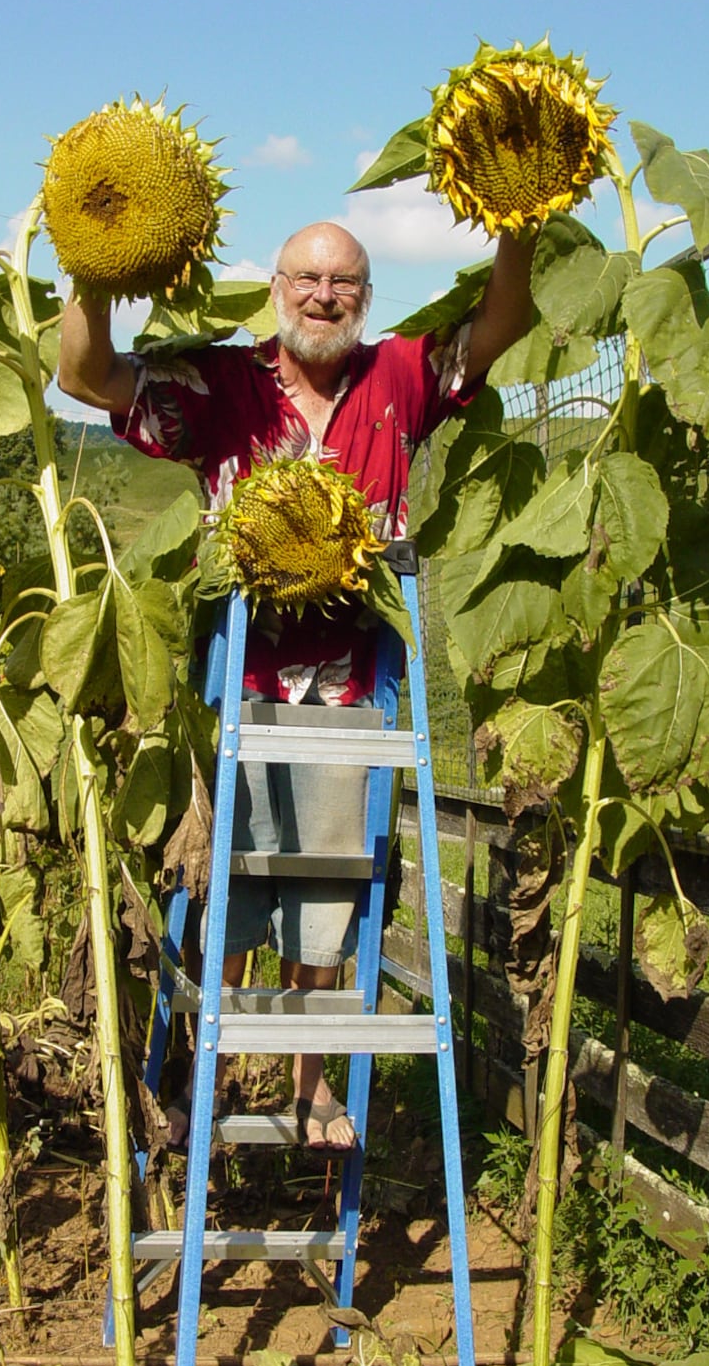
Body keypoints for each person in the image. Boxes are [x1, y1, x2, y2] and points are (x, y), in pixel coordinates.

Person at [59, 221, 534, 1148]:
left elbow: (500, 324)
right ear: (278, 287)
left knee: (326, 898)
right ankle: (220, 1071)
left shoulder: (399, 376)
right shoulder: (226, 385)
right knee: (232, 888)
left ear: (366, 296)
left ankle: (313, 1087)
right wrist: (95, 262)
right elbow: (87, 375)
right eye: (308, 278)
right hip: (241, 680)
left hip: (353, 691)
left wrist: (513, 223)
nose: (325, 295)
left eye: (345, 282)